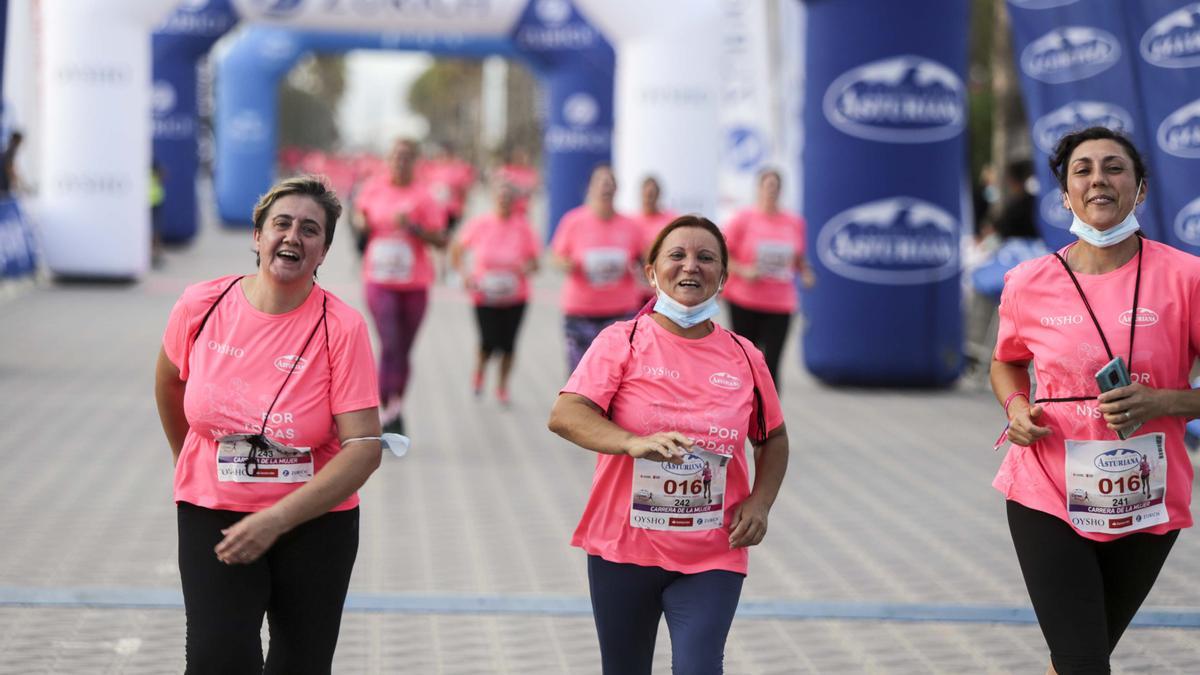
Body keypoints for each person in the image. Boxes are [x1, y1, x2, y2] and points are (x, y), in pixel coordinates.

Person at [991, 127, 1200, 675]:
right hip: (1046, 491)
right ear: (1065, 195)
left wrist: (1164, 400)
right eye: (1082, 170)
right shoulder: (1028, 281)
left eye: (1114, 168)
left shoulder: (1187, 277)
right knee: (1084, 660)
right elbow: (1005, 361)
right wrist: (1016, 409)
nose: (1098, 179)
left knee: (1081, 655)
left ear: (1141, 189)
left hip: (1147, 498)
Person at [154, 176, 383, 673]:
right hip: (214, 515)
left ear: (323, 252)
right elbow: (170, 382)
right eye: (281, 224)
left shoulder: (341, 327)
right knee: (218, 659)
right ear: (257, 236)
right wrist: (190, 464)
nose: (293, 237)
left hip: (315, 523)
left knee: (300, 664)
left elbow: (364, 445)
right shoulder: (202, 305)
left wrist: (277, 519)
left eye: (310, 230)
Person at [548, 215, 790, 674]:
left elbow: (772, 437)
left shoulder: (744, 355)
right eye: (676, 255)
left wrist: (760, 503)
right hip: (624, 547)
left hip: (712, 548)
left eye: (706, 257)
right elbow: (566, 414)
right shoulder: (622, 341)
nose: (690, 266)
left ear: (724, 275)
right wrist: (629, 442)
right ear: (651, 270)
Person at [352, 138, 447, 434]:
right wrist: (362, 224)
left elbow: (441, 239)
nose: (400, 161)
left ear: (415, 161)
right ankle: (387, 408)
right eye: (395, 156)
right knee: (390, 343)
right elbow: (359, 217)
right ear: (388, 159)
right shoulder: (374, 188)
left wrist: (414, 228)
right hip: (379, 280)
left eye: (406, 156)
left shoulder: (425, 197)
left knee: (403, 350)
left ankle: (396, 406)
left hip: (414, 282)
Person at [450, 180, 541, 404]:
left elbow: (536, 263)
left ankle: (502, 386)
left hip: (515, 296)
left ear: (515, 202)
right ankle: (479, 374)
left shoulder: (523, 227)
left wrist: (525, 268)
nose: (505, 202)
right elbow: (457, 250)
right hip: (485, 295)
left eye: (509, 198)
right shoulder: (480, 224)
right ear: (493, 199)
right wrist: (465, 275)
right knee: (488, 342)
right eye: (501, 197)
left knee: (509, 345)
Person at [722, 168, 815, 388]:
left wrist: (806, 273)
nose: (771, 191)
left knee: (771, 364)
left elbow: (799, 257)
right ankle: (744, 414)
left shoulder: (794, 222)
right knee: (745, 362)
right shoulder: (742, 219)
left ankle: (770, 419)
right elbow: (723, 255)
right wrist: (744, 271)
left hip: (780, 303)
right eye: (767, 186)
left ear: (781, 190)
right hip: (744, 300)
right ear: (759, 188)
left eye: (775, 186)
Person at [550, 164, 644, 371]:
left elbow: (645, 261)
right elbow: (555, 257)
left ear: (617, 190)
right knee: (579, 374)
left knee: (618, 373)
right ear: (590, 189)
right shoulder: (573, 221)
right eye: (600, 183)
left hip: (621, 311)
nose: (605, 187)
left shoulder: (630, 225)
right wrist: (570, 264)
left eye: (610, 183)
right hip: (580, 311)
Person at [632, 175, 677, 302]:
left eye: (652, 194)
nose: (648, 198)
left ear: (658, 195)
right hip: (638, 289)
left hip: (664, 289)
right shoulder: (631, 222)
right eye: (646, 194)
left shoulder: (671, 220)